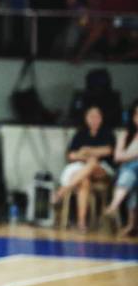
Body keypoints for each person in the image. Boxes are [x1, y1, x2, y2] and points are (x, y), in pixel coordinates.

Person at [54, 104, 115, 231]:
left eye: (97, 116)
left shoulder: (107, 133)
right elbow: (71, 155)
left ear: (101, 118)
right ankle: (81, 223)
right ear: (86, 118)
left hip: (102, 171)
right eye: (91, 116)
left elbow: (108, 151)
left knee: (92, 163)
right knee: (84, 181)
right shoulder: (81, 134)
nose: (94, 119)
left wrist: (86, 150)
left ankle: (62, 191)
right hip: (83, 171)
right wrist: (87, 156)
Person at [104, 100, 138, 235]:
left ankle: (113, 206)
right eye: (137, 114)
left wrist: (128, 156)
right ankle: (130, 224)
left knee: (134, 175)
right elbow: (117, 157)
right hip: (123, 172)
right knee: (132, 172)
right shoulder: (125, 134)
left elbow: (123, 156)